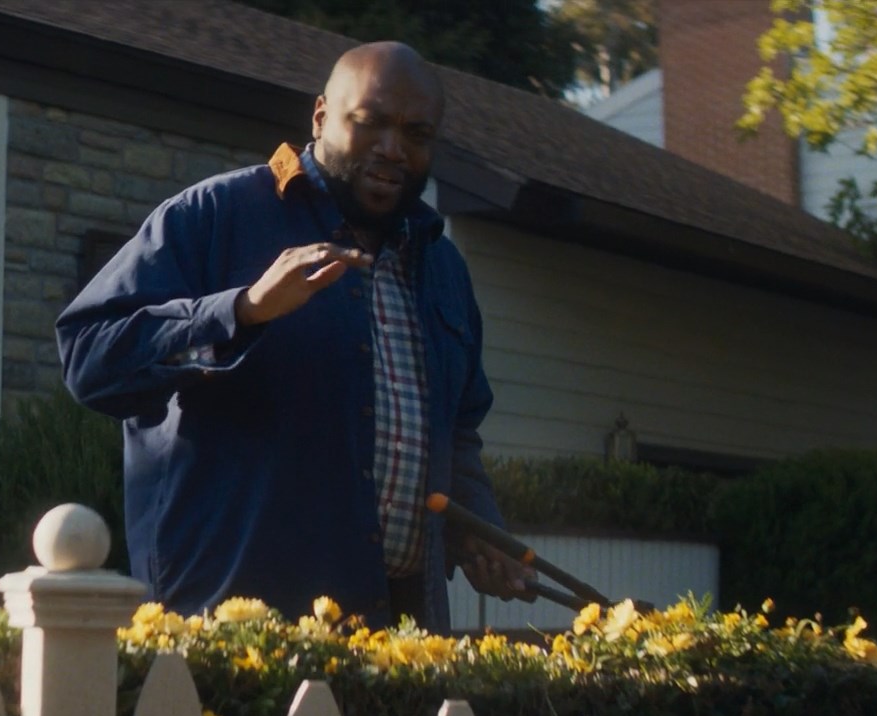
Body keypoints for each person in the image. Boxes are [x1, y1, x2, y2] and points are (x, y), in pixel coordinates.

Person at [54, 42, 534, 633]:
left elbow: (455, 431)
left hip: (402, 633)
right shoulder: (216, 214)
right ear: (320, 117)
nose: (393, 148)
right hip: (235, 629)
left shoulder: (443, 268)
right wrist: (242, 309)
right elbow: (89, 358)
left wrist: (479, 531)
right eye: (371, 121)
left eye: (417, 133)